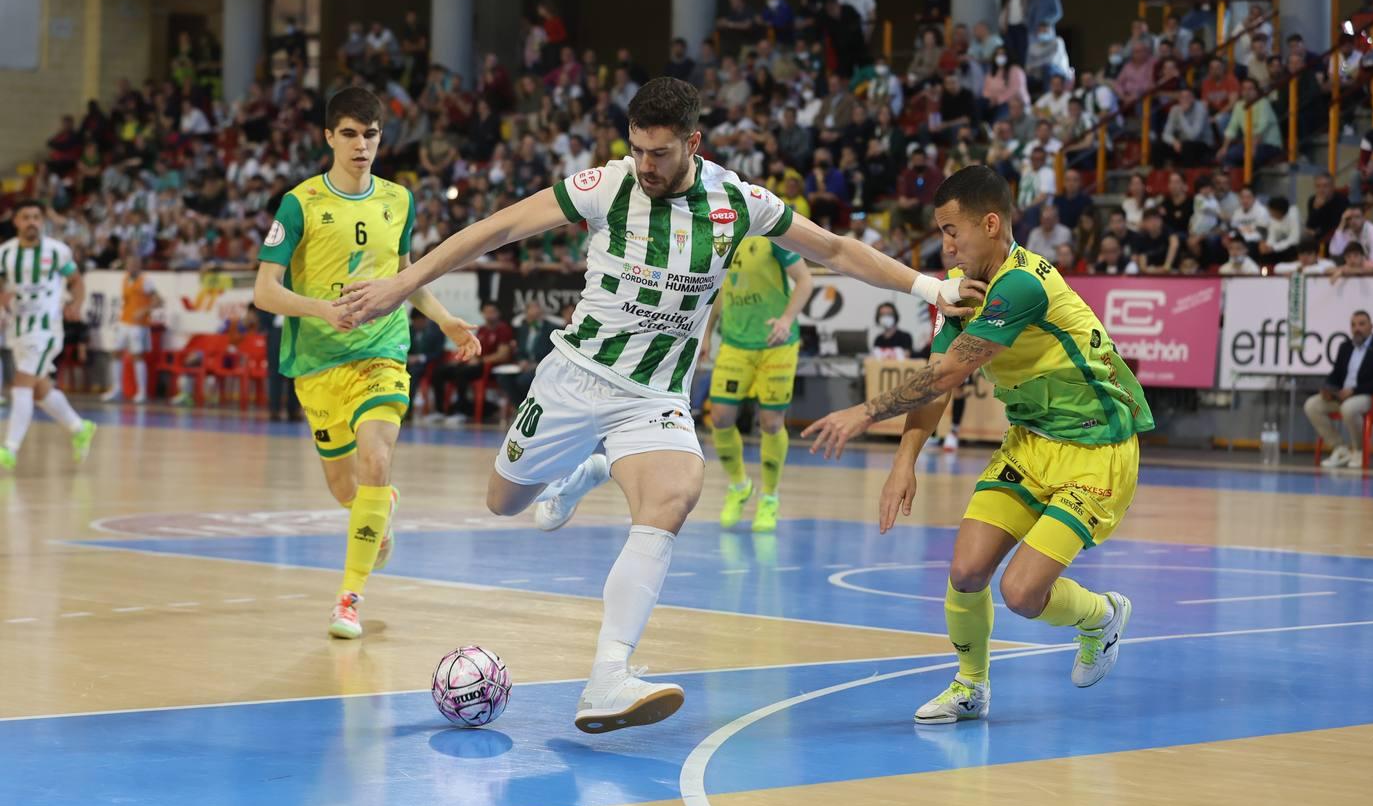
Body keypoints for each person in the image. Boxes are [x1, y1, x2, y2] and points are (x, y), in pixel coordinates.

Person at [335, 77, 983, 734]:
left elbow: (837, 249)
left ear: (693, 143)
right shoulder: (605, 187)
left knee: (677, 491)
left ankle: (607, 678)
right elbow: (497, 228)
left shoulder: (737, 202)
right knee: (504, 502)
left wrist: (930, 286)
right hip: (573, 379)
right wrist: (403, 284)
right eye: (637, 149)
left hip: (651, 396)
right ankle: (585, 470)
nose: (645, 165)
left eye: (659, 153)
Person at [804, 165, 1151, 725]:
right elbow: (941, 374)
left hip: (1097, 448)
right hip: (1030, 443)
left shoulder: (1022, 285)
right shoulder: (963, 291)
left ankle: (1100, 616)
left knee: (1021, 593)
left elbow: (943, 378)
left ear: (991, 224)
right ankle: (971, 686)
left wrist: (864, 413)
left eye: (951, 231)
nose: (944, 246)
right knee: (965, 572)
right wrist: (903, 462)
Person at [252, 87, 479, 640]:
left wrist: (445, 318)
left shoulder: (398, 200)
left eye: (371, 134)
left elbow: (405, 275)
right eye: (350, 133)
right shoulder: (299, 202)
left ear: (382, 138)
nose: (361, 144)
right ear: (329, 136)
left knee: (376, 458)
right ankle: (379, 511)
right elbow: (264, 291)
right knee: (344, 488)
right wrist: (320, 312)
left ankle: (347, 599)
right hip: (318, 361)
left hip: (382, 350)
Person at [702, 234, 814, 533]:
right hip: (734, 343)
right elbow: (720, 291)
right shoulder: (719, 237)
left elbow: (805, 281)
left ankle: (769, 497)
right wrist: (706, 333)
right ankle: (739, 486)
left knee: (771, 422)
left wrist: (786, 319)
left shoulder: (772, 237)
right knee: (720, 417)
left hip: (775, 343)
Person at [0, 200, 97, 472]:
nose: (32, 222)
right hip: (17, 326)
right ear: (16, 222)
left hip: (45, 329)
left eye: (36, 217)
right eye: (26, 217)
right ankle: (79, 427)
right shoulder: (5, 254)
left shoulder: (57, 251)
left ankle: (9, 449)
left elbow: (76, 281)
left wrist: (75, 304)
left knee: (20, 384)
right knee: (40, 388)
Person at [1303, 310, 1373, 469]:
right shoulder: (1345, 347)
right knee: (1311, 405)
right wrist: (1328, 388)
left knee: (1349, 408)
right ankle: (1340, 448)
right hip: (1344, 396)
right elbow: (1336, 375)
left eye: (1361, 324)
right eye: (1353, 325)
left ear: (1371, 327)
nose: (1357, 328)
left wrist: (1354, 390)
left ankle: (1358, 450)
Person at [100, 253, 162, 403]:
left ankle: (141, 392)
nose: (132, 266)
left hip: (138, 325)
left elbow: (159, 301)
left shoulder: (146, 281)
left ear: (139, 265)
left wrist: (145, 310)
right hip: (124, 322)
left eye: (135, 264)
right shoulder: (125, 280)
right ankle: (117, 389)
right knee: (116, 353)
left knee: (137, 355)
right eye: (129, 264)